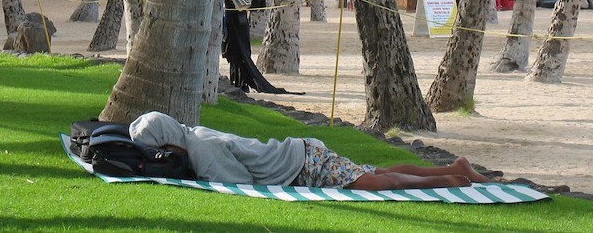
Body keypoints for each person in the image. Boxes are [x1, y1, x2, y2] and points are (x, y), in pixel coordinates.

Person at [130, 111, 491, 189]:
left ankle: (450, 181)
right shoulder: (193, 132)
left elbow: (238, 186)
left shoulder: (200, 147)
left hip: (304, 165)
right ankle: (454, 168)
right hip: (303, 154)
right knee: (375, 173)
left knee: (380, 183)